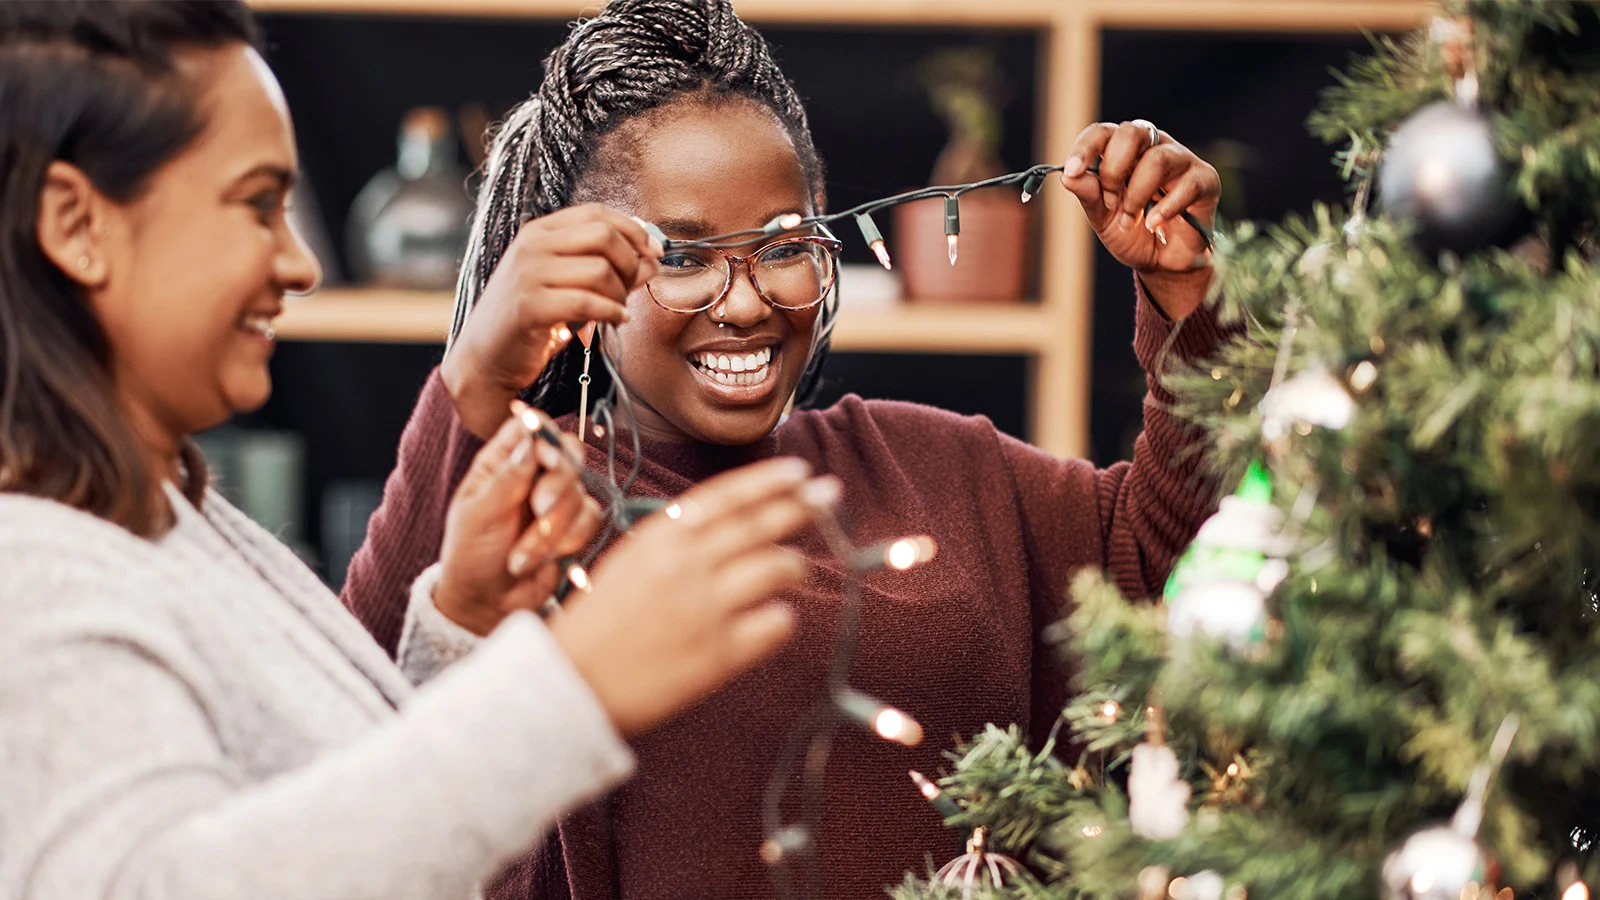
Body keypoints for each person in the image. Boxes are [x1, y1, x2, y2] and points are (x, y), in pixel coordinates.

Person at [341, 0, 1239, 897]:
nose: (745, 303)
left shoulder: (943, 469)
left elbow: (1184, 563)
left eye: (782, 246)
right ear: (585, 274)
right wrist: (473, 384)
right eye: (683, 256)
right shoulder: (526, 503)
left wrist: (1186, 297)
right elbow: (348, 737)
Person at [0, 3, 837, 898]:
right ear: (77, 225)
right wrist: (569, 690)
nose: (299, 264)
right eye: (257, 205)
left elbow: (322, 810)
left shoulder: (168, 518)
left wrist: (458, 628)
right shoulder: (35, 572)